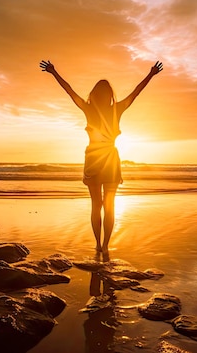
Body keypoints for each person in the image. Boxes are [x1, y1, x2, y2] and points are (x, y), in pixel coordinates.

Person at [40, 59, 163, 253]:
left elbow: (69, 91)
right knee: (109, 206)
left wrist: (54, 72)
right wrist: (150, 74)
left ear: (94, 94)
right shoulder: (117, 109)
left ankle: (99, 244)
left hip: (94, 159)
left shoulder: (89, 109)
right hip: (110, 160)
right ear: (109, 95)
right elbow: (136, 92)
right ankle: (104, 246)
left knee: (97, 205)